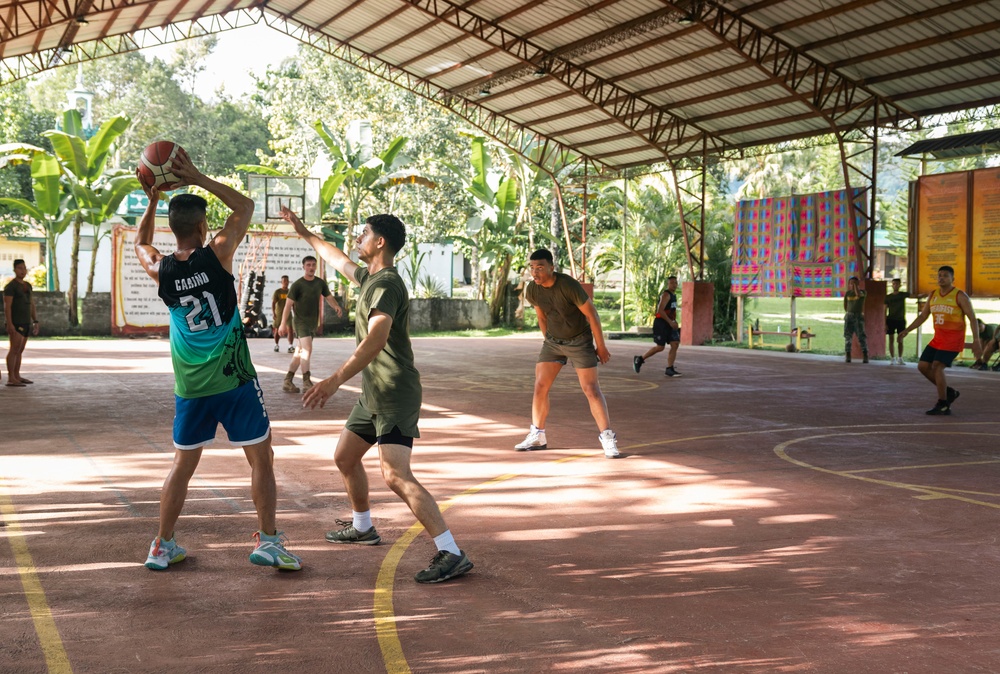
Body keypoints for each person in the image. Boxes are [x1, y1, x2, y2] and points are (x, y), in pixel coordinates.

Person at [281, 206, 474, 584]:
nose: (356, 239)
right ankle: (364, 527)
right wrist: (303, 231)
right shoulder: (369, 278)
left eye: (363, 233)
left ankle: (451, 551)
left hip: (395, 393)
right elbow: (333, 256)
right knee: (345, 457)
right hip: (373, 394)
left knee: (396, 476)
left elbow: (376, 338)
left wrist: (335, 380)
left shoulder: (386, 285)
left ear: (380, 241)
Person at [133, 149, 301, 572]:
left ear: (172, 228)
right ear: (204, 225)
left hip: (191, 387)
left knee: (182, 466)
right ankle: (268, 540)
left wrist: (153, 198)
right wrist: (199, 176)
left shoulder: (160, 269)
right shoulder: (219, 252)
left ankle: (162, 544)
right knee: (261, 458)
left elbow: (140, 243)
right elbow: (244, 207)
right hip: (235, 380)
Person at [514, 248, 620, 459]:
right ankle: (538, 435)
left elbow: (593, 315)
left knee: (590, 388)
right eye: (532, 268)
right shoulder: (532, 290)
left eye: (540, 268)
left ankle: (607, 437)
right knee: (540, 386)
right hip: (553, 342)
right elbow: (542, 317)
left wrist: (601, 346)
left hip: (579, 340)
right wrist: (548, 341)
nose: (535, 272)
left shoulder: (568, 285)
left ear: (552, 267)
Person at [900, 265, 981, 415]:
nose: (941, 278)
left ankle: (943, 403)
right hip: (938, 339)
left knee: (937, 366)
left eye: (945, 275)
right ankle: (949, 392)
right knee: (923, 366)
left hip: (953, 339)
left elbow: (972, 318)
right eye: (939, 275)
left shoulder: (960, 296)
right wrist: (907, 330)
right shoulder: (933, 295)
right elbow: (923, 316)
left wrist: (976, 340)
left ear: (952, 278)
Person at [278, 256, 342, 393]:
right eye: (308, 265)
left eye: (313, 265)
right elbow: (288, 305)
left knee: (299, 352)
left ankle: (287, 381)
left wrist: (336, 306)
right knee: (307, 349)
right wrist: (283, 324)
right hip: (300, 322)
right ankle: (306, 381)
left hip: (312, 323)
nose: (311, 267)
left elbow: (329, 297)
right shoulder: (297, 285)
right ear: (303, 267)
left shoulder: (320, 283)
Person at [633, 275, 681, 377]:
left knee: (675, 344)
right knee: (660, 347)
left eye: (676, 282)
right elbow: (660, 311)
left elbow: (671, 311)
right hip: (661, 323)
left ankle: (669, 368)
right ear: (668, 284)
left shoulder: (673, 296)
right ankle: (640, 359)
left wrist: (674, 321)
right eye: (672, 283)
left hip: (669, 323)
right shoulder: (666, 295)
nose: (674, 284)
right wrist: (670, 322)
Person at [3, 259, 39, 387]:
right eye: (19, 268)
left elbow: (32, 304)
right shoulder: (11, 287)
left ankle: (17, 375)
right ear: (14, 270)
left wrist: (35, 320)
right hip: (16, 322)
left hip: (26, 322)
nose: (22, 271)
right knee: (14, 349)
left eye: (24, 268)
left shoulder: (27, 286)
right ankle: (11, 377)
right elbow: (7, 306)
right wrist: (9, 323)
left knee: (20, 350)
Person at [884, 278, 909, 365]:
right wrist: (884, 323)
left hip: (901, 320)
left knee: (900, 339)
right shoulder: (888, 297)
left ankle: (900, 358)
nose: (895, 285)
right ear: (892, 285)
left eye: (897, 284)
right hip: (890, 319)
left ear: (900, 285)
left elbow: (914, 295)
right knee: (891, 339)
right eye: (894, 284)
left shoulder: (902, 295)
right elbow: (884, 310)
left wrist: (923, 294)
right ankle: (892, 358)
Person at [843, 276, 868, 363]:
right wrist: (848, 312)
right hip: (849, 315)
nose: (852, 284)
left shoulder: (862, 292)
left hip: (858, 316)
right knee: (847, 336)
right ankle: (848, 354)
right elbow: (845, 305)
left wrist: (855, 287)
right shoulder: (848, 293)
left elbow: (858, 294)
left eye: (854, 282)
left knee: (861, 336)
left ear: (858, 283)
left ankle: (865, 354)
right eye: (851, 282)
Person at [272, 275, 295, 353]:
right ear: (281, 282)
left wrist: (295, 313)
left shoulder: (290, 292)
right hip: (279, 314)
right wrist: (274, 313)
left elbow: (293, 304)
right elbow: (273, 303)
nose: (286, 282)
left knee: (290, 329)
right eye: (284, 281)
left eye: (287, 281)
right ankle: (276, 345)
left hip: (288, 314)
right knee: (277, 330)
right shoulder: (278, 292)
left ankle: (290, 346)